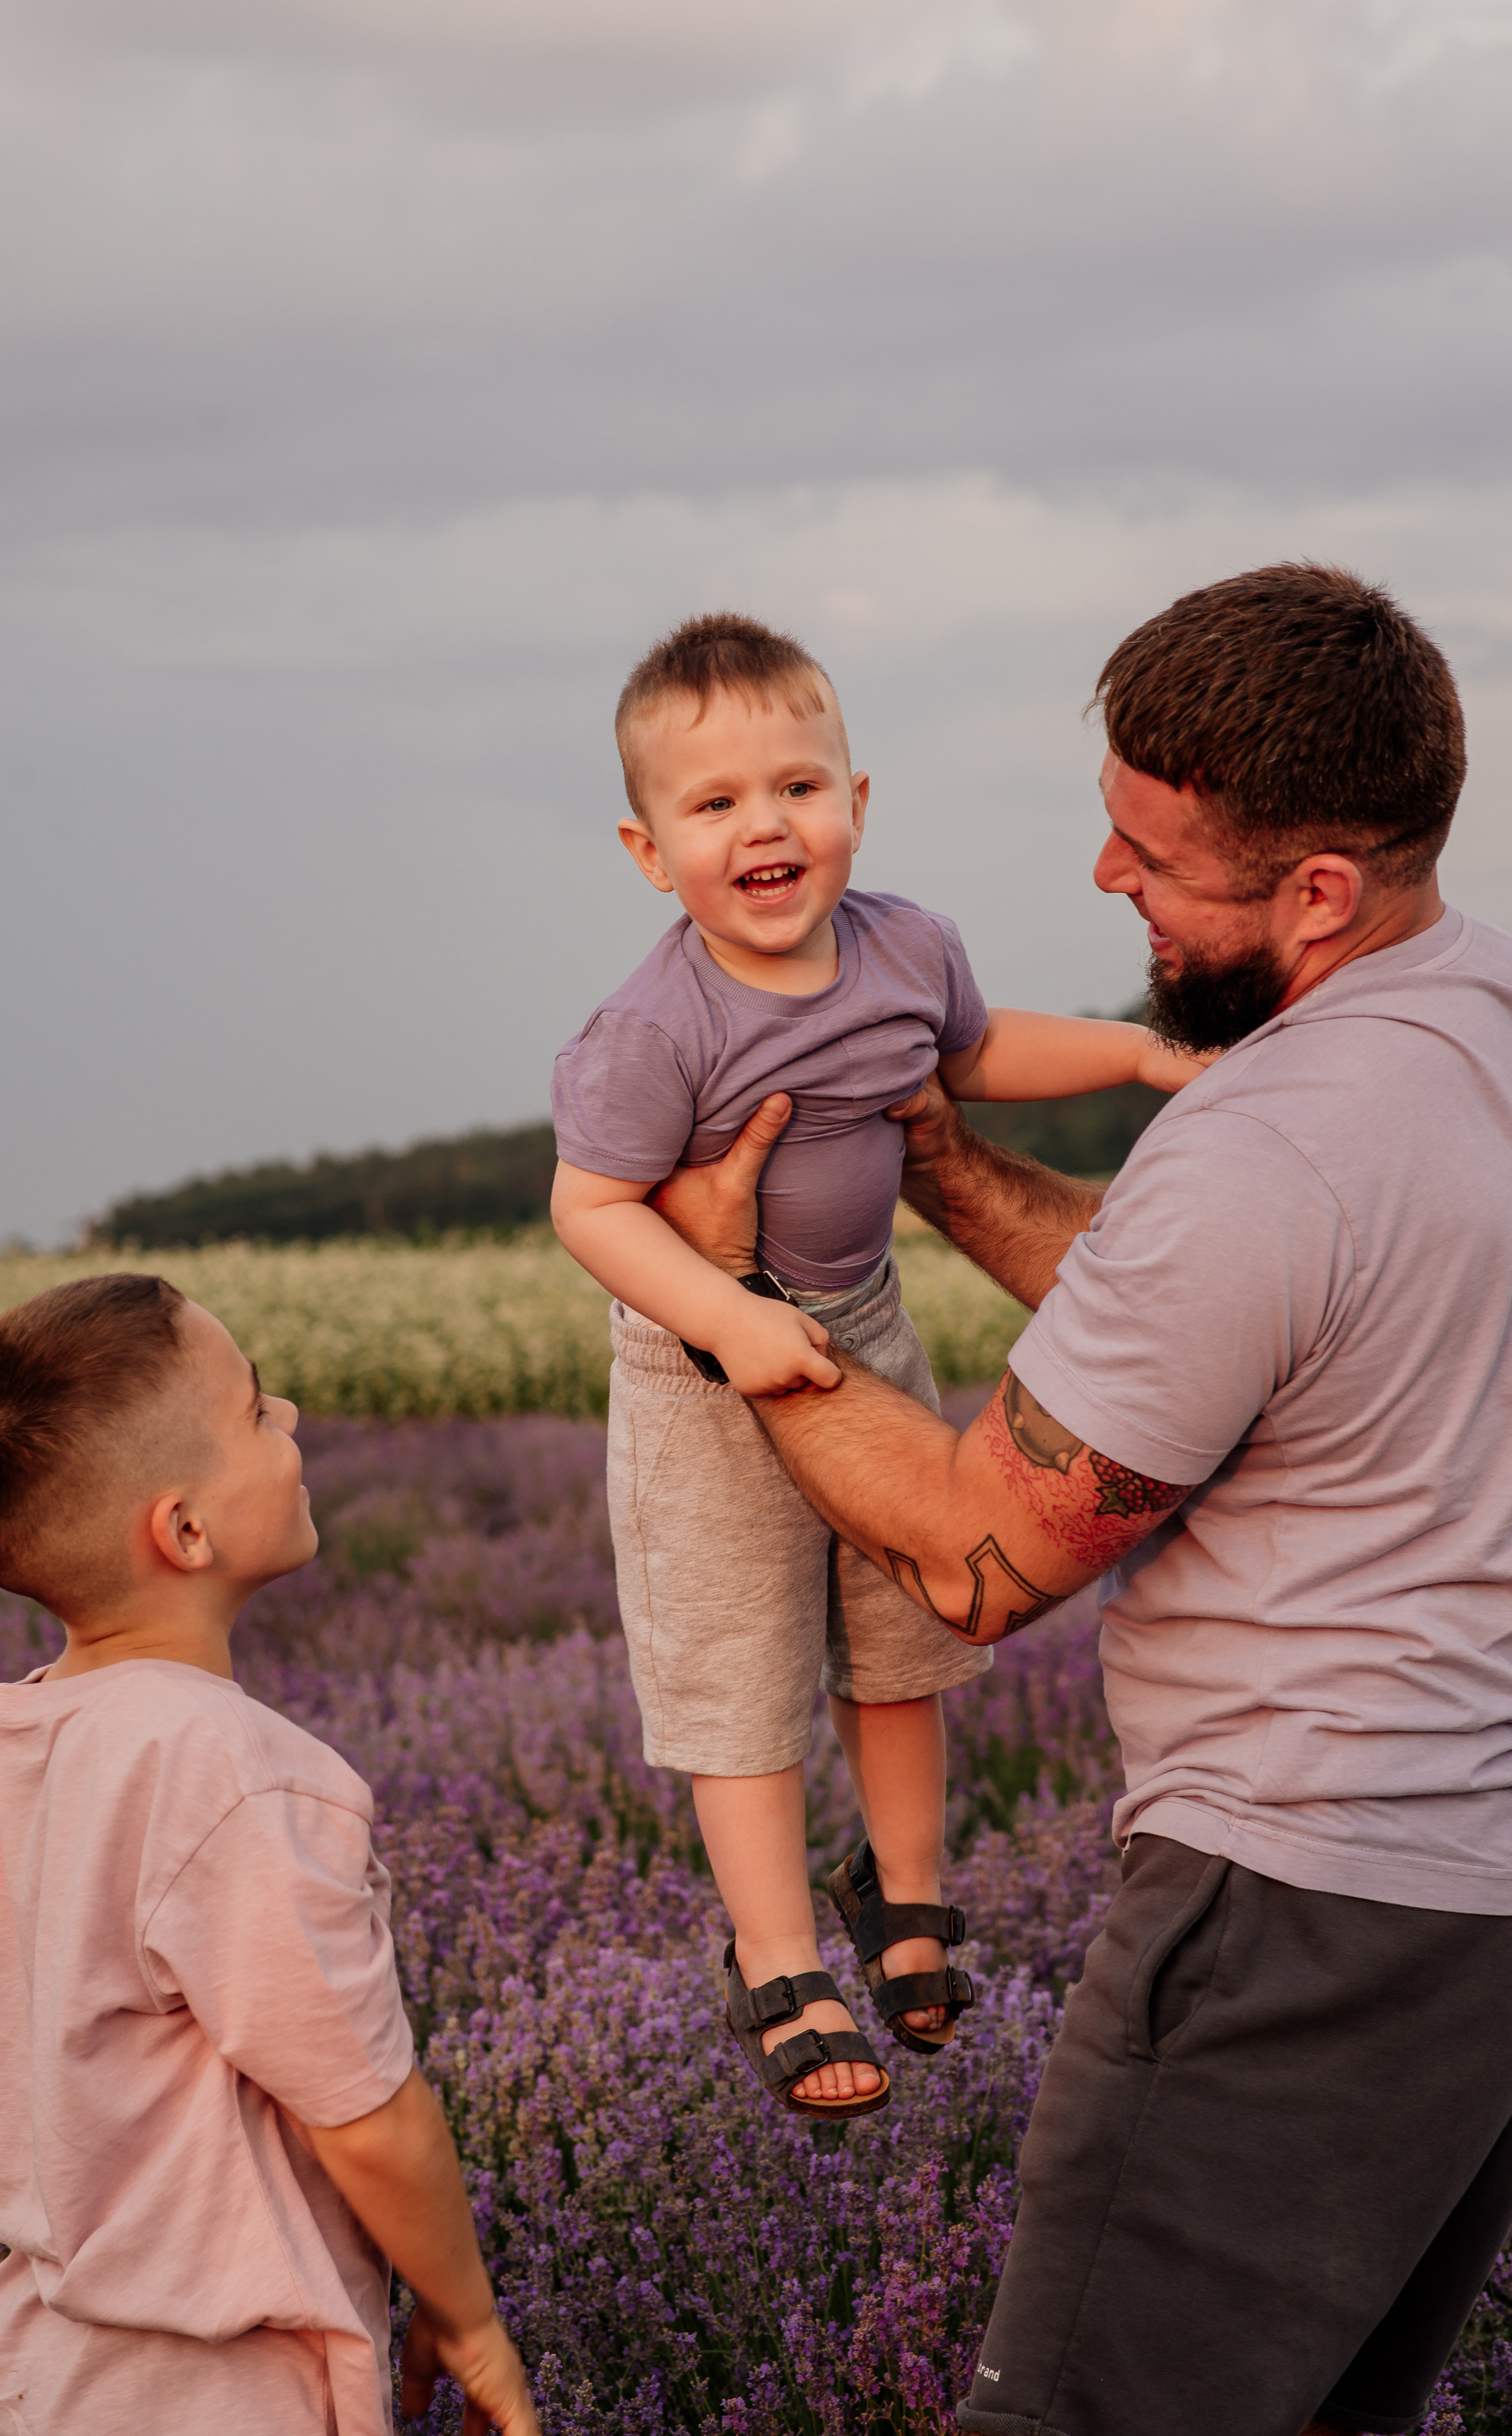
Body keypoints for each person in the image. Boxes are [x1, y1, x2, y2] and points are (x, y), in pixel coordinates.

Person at [653, 562, 1512, 2436]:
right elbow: (1220, 1318)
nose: (1108, 879)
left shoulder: (1267, 1142)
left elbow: (976, 1553)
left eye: (1152, 851)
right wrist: (945, 1167)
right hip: (1476, 1906)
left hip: (1295, 1900)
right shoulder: (1474, 1030)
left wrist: (733, 1313)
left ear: (1315, 893)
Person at [550, 611, 1205, 2119]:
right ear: (652, 854)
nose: (762, 825)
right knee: (742, 1661)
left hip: (857, 1321)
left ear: (858, 802)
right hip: (698, 1358)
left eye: (795, 785)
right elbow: (590, 1208)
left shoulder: (906, 946)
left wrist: (1134, 1052)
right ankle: (776, 1951)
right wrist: (722, 1317)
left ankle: (902, 1889)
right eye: (713, 805)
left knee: (906, 1617)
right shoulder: (654, 1026)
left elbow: (972, 1056)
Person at [0, 1274, 538, 2436]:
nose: (294, 1416)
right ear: (185, 1529)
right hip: (214, 2387)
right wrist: (468, 2320)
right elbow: (366, 2114)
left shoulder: (28, 1739)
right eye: (256, 1409)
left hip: (37, 2367)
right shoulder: (234, 1772)